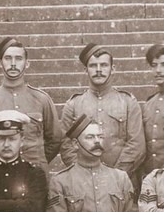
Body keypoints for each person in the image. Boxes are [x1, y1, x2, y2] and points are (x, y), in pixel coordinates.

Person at [60, 42, 148, 174]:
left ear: (113, 68)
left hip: (122, 178)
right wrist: (84, 174)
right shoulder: (73, 104)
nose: (98, 70)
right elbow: (66, 145)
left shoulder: (128, 102)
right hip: (83, 180)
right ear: (85, 70)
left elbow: (137, 145)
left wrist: (116, 175)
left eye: (104, 65)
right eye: (93, 65)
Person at [0, 38, 62, 166]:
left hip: (35, 172)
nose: (13, 64)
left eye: (18, 59)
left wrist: (38, 163)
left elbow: (55, 140)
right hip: (1, 172)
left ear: (27, 63)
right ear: (0, 63)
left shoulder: (42, 99)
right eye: (8, 58)